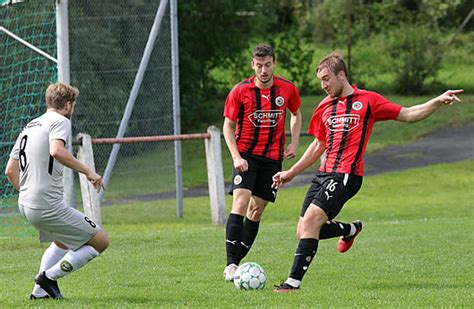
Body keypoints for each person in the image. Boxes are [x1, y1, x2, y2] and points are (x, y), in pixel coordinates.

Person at [271, 52, 464, 292]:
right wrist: (291, 172)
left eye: (327, 79)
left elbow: (408, 114)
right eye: (320, 80)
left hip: (346, 176)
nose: (323, 85)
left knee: (311, 221)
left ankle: (292, 284)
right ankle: (351, 229)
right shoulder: (324, 107)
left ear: (341, 75)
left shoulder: (368, 101)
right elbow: (318, 145)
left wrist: (436, 101)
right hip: (323, 174)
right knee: (304, 231)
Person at [5, 83, 110, 299]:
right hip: (46, 205)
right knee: (100, 241)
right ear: (69, 104)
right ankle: (47, 278)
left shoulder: (31, 125)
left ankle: (39, 293)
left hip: (25, 204)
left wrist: (28, 195)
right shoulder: (61, 121)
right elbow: (57, 151)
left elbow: (10, 170)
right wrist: (88, 171)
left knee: (62, 241)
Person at [222, 44, 302, 281]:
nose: (264, 70)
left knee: (256, 210)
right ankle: (231, 265)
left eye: (268, 65)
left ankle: (238, 264)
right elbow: (228, 125)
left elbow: (296, 114)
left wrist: (295, 143)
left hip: (272, 158)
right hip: (246, 155)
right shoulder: (240, 91)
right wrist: (236, 157)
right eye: (259, 65)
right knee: (240, 201)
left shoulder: (287, 89)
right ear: (252, 65)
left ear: (274, 63)